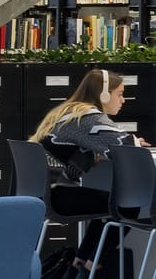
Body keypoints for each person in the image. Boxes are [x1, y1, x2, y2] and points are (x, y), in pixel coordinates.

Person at [32, 67, 152, 266]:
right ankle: (90, 266)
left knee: (110, 203)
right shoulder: (88, 116)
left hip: (47, 193)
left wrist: (89, 155)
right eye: (120, 94)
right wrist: (134, 141)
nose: (123, 100)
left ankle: (82, 264)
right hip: (59, 195)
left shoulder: (68, 111)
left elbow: (75, 146)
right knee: (128, 205)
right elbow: (124, 144)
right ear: (103, 95)